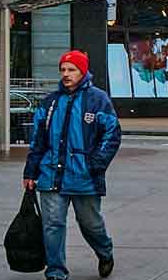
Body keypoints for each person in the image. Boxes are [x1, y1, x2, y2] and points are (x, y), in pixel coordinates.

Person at [22, 50, 121, 280]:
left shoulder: (98, 100)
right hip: (50, 174)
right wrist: (30, 171)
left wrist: (95, 165)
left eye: (71, 70)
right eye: (63, 70)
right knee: (52, 224)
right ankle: (56, 272)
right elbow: (37, 140)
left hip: (83, 175)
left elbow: (112, 134)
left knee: (90, 223)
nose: (66, 74)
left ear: (82, 71)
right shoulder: (50, 102)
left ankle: (105, 251)